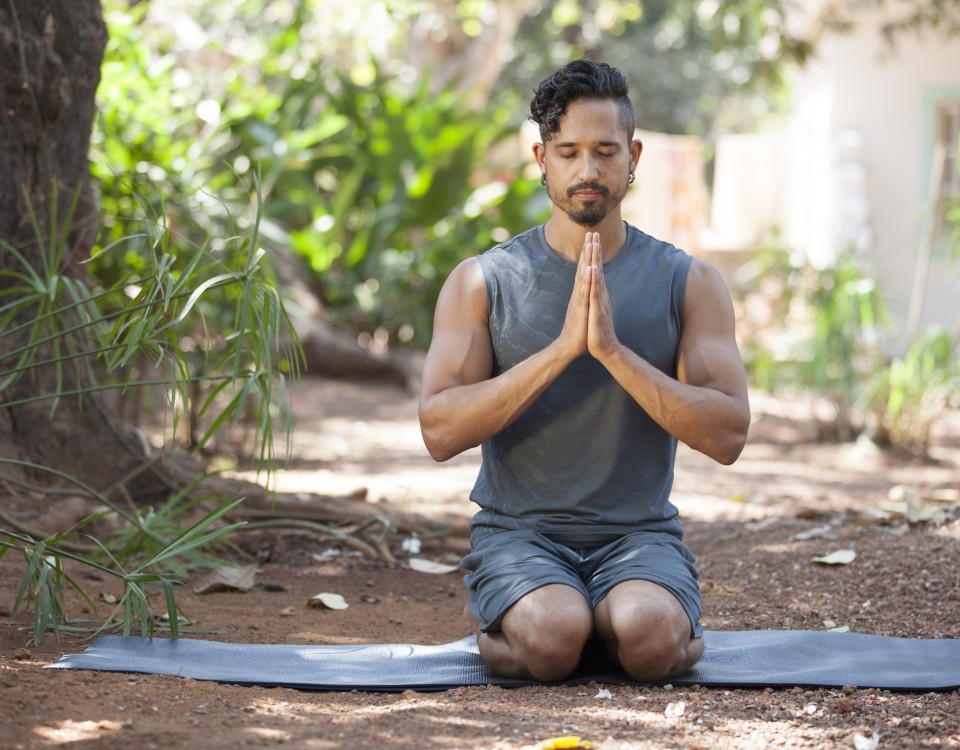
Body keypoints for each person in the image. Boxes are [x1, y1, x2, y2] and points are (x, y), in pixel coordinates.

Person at [418, 59, 750, 683]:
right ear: (541, 157)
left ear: (634, 156)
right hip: (521, 537)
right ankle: (558, 624)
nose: (588, 171)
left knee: (651, 644)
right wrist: (561, 351)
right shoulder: (483, 281)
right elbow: (438, 431)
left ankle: (622, 626)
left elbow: (729, 434)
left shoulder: (689, 282)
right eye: (569, 151)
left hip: (638, 538)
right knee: (549, 639)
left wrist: (615, 355)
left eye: (605, 150)